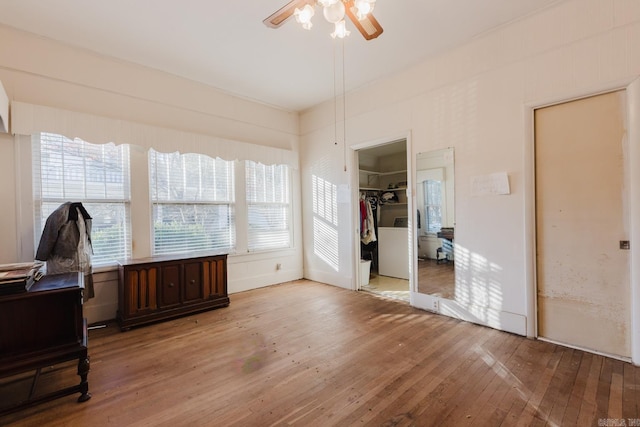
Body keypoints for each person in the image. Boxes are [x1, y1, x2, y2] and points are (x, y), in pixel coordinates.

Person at [35, 202, 94, 299]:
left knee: (77, 297)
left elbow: (48, 238)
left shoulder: (82, 215)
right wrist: (41, 257)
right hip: (63, 266)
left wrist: (42, 256)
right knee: (63, 298)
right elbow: (48, 238)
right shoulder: (59, 215)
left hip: (80, 263)